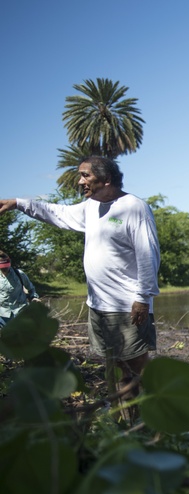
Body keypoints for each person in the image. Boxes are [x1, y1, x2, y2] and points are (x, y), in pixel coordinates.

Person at [0, 156, 160, 406]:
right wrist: (18, 203)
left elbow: (148, 253)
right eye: (80, 175)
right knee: (116, 366)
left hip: (127, 306)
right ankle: (126, 420)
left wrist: (143, 298)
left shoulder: (133, 207)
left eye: (85, 175)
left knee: (138, 363)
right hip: (98, 306)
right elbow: (57, 212)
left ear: (106, 179)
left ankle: (168, 411)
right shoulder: (90, 207)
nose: (79, 181)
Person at [0, 250, 40, 328]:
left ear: (9, 263)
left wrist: (33, 297)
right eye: (2, 267)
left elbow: (31, 288)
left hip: (20, 311)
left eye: (6, 266)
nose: (4, 269)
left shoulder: (19, 274)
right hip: (3, 314)